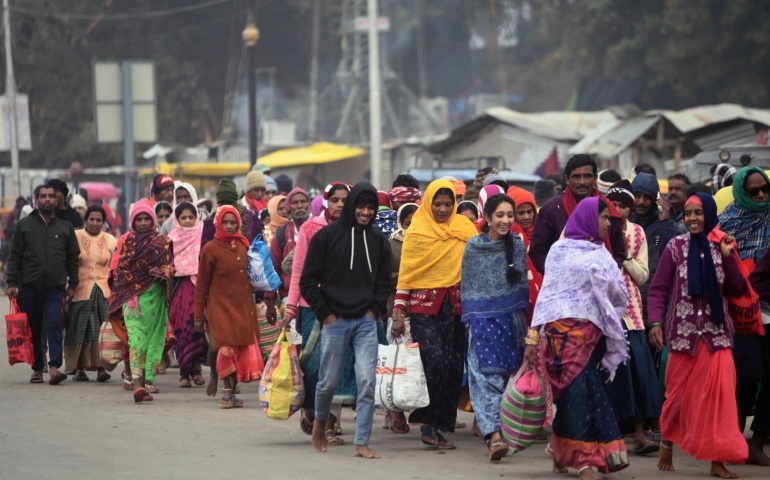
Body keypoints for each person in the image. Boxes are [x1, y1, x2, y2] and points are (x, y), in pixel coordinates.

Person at [528, 197, 630, 480]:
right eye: (604, 218)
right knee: (577, 394)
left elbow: (620, 293)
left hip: (590, 335)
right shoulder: (558, 251)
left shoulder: (602, 255)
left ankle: (568, 453)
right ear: (587, 219)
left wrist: (604, 286)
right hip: (560, 336)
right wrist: (532, 337)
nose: (609, 223)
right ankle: (582, 460)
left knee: (582, 394)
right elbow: (548, 293)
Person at [648, 192, 748, 478]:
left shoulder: (724, 245)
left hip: (717, 334)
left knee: (721, 398)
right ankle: (667, 439)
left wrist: (728, 258)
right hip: (683, 334)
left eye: (698, 213)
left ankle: (718, 460)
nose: (692, 218)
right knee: (678, 398)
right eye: (688, 213)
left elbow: (737, 290)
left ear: (710, 214)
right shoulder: (675, 247)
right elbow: (658, 289)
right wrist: (655, 323)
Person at [299, 183, 391, 458]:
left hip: (365, 322)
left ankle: (361, 442)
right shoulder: (326, 237)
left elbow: (384, 283)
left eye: (370, 207)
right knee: (327, 382)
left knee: (366, 381)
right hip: (335, 322)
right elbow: (307, 281)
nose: (365, 212)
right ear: (352, 206)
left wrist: (373, 311)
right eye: (361, 206)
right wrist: (326, 314)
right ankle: (319, 423)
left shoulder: (378, 241)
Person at [393, 179, 478, 449]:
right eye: (437, 204)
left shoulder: (464, 229)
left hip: (455, 307)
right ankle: (429, 423)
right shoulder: (417, 231)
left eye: (448, 203)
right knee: (436, 362)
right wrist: (398, 311)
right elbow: (407, 273)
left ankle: (438, 421)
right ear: (428, 203)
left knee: (453, 367)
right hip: (423, 307)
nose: (442, 209)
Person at [461, 193, 528, 461]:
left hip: (511, 323)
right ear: (487, 217)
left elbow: (521, 290)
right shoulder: (473, 246)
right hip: (481, 323)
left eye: (509, 215)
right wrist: (472, 321)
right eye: (500, 215)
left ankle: (501, 430)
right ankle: (494, 437)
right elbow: (468, 286)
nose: (506, 220)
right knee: (483, 378)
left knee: (505, 381)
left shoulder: (518, 245)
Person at [282, 182, 351, 442]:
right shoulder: (311, 228)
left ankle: (331, 423)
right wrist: (290, 308)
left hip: (344, 308)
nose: (341, 205)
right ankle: (310, 411)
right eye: (335, 199)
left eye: (345, 199)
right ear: (325, 202)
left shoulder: (356, 229)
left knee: (339, 366)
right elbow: (298, 270)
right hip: (312, 308)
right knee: (314, 366)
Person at [605, 180, 662, 455]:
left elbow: (641, 276)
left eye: (623, 206)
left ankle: (640, 433)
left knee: (638, 373)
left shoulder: (636, 233)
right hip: (603, 312)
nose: (617, 210)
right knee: (613, 375)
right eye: (612, 205)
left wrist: (622, 253)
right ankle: (613, 435)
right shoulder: (597, 228)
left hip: (631, 313)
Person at [718, 166, 770, 466]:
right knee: (747, 376)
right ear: (741, 192)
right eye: (754, 191)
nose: (762, 195)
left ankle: (758, 441)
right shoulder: (726, 223)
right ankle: (734, 436)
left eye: (765, 189)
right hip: (741, 313)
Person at [6, 185, 80, 385]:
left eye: (51, 196)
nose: (47, 200)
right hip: (30, 287)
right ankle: (38, 368)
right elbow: (15, 257)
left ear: (57, 200)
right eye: (43, 196)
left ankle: (55, 367)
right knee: (35, 328)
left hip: (55, 288)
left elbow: (73, 258)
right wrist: (11, 282)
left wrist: (72, 284)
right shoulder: (24, 225)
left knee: (55, 324)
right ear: (36, 200)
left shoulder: (65, 226)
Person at [195, 206, 264, 408]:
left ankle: (232, 392)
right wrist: (199, 316)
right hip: (220, 307)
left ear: (239, 225)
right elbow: (201, 286)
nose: (229, 226)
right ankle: (226, 391)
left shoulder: (245, 246)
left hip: (243, 306)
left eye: (233, 222)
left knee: (240, 349)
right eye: (225, 222)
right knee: (225, 347)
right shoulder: (210, 249)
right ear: (217, 223)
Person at [107, 198, 175, 403]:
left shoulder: (162, 242)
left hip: (155, 299)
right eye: (139, 219)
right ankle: (137, 383)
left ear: (153, 221)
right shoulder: (127, 242)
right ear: (133, 222)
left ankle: (144, 384)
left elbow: (170, 266)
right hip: (133, 301)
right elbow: (121, 271)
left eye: (147, 219)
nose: (143, 223)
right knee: (136, 339)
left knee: (153, 339)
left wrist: (163, 272)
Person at [530, 154, 626, 274]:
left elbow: (619, 252)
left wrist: (604, 273)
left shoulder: (609, 211)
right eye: (576, 177)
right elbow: (537, 251)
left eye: (587, 176)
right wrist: (560, 275)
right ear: (567, 179)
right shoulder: (552, 209)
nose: (582, 182)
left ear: (595, 178)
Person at [64, 206, 117, 382]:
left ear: (103, 222)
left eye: (99, 220)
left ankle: (101, 367)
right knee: (80, 329)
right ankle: (80, 369)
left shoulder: (110, 240)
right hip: (79, 289)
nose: (95, 223)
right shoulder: (76, 236)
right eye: (91, 219)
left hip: (102, 291)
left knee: (100, 330)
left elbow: (115, 266)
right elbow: (66, 260)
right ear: (86, 220)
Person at [382, 202, 418, 434]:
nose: (411, 227)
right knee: (398, 362)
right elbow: (384, 276)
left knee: (416, 365)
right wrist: (408, 277)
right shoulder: (391, 244)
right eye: (407, 223)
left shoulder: (427, 241)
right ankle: (393, 410)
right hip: (396, 310)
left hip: (422, 310)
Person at [629, 173, 679, 324]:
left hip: (655, 311)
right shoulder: (624, 225)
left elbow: (673, 259)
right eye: (637, 196)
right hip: (629, 309)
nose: (641, 202)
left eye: (647, 198)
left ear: (655, 199)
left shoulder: (665, 226)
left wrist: (666, 226)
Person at [168, 202, 207, 388]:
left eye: (191, 217)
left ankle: (197, 369)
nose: (187, 221)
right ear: (177, 219)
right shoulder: (171, 238)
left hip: (198, 287)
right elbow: (166, 264)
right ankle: (184, 372)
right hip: (179, 287)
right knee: (182, 328)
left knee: (197, 327)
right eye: (183, 217)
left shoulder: (203, 234)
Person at [265, 187, 310, 327]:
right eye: (295, 202)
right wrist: (270, 302)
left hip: (316, 297)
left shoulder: (319, 229)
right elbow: (273, 269)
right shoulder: (281, 235)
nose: (300, 205)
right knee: (295, 343)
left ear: (309, 204)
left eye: (303, 201)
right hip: (289, 296)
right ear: (288, 208)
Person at [201, 179, 262, 247]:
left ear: (235, 203)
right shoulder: (210, 223)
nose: (226, 206)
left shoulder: (251, 220)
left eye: (230, 203)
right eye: (223, 203)